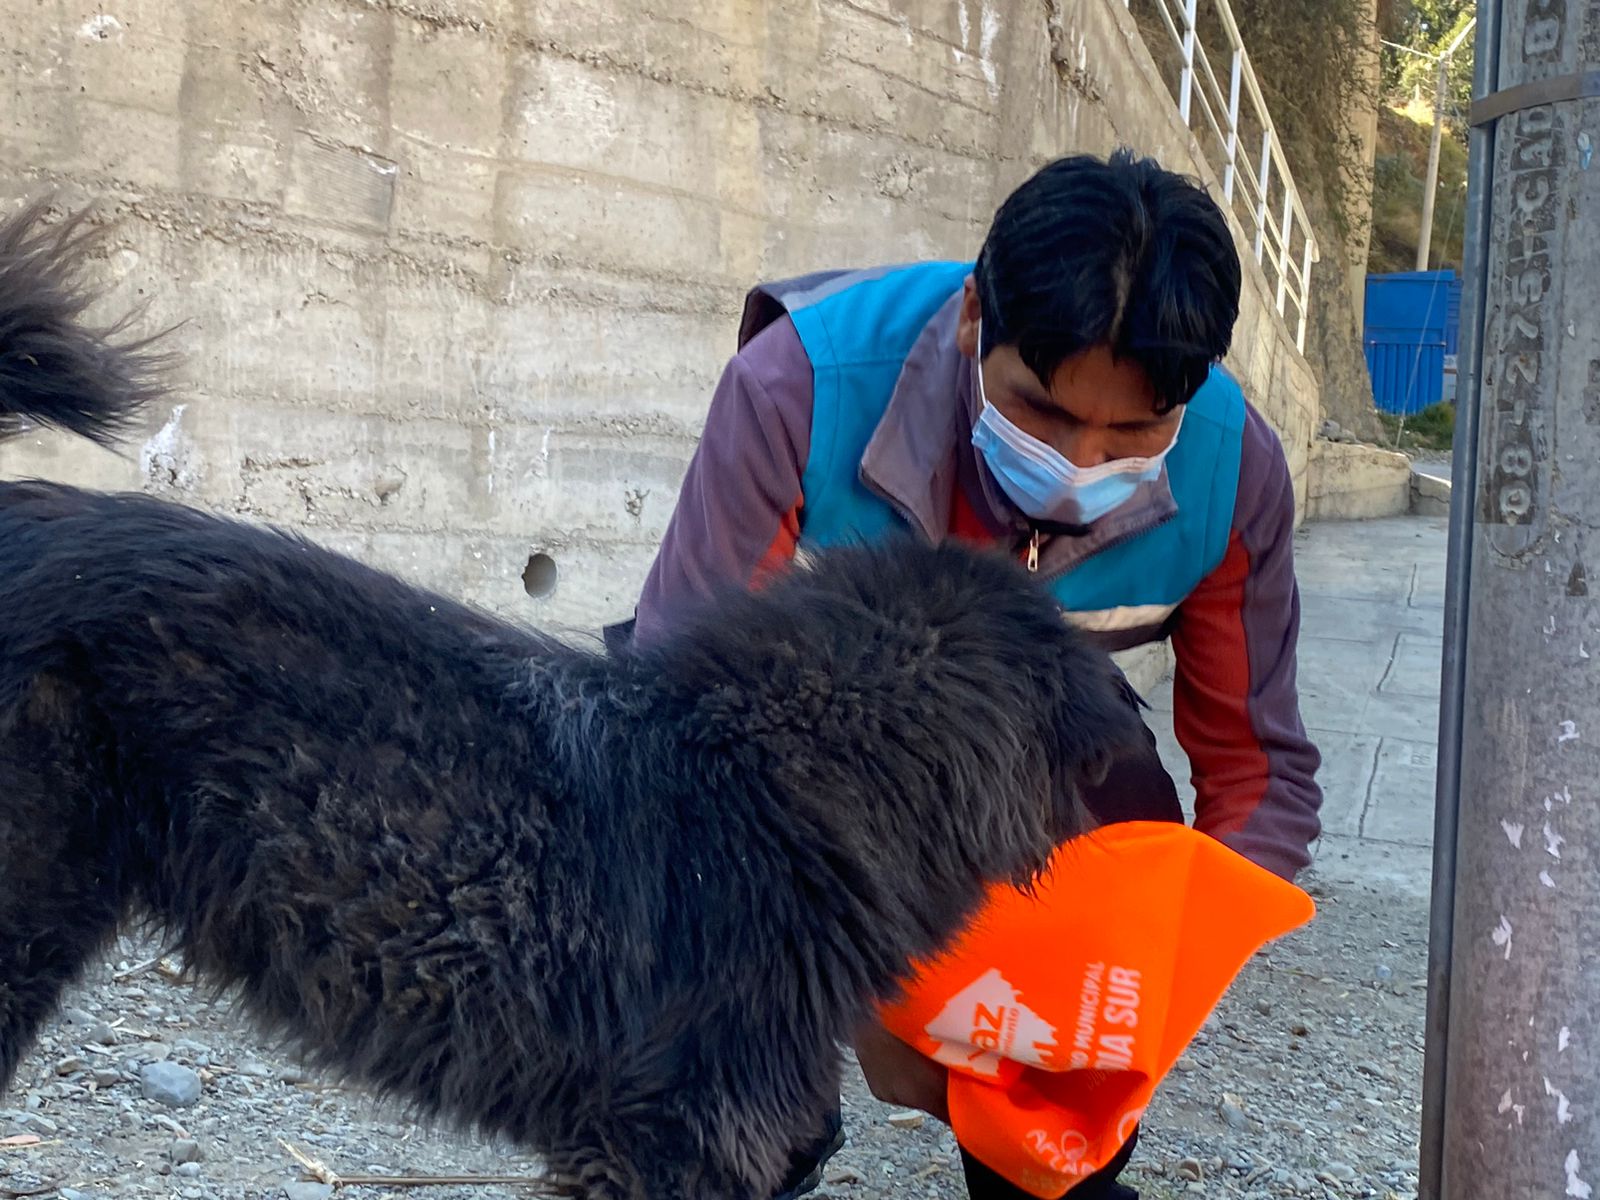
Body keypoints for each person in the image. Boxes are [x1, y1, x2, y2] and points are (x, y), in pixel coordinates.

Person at [605, 148, 1323, 1199]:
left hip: (1028, 729)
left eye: (1134, 432)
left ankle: (1045, 1173)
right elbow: (673, 718)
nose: (1080, 463)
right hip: (792, 736)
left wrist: (1131, 992)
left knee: (1112, 867)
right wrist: (863, 984)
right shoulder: (802, 387)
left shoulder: (1234, 470)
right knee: (732, 1082)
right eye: (1042, 413)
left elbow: (1259, 775)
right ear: (973, 317)